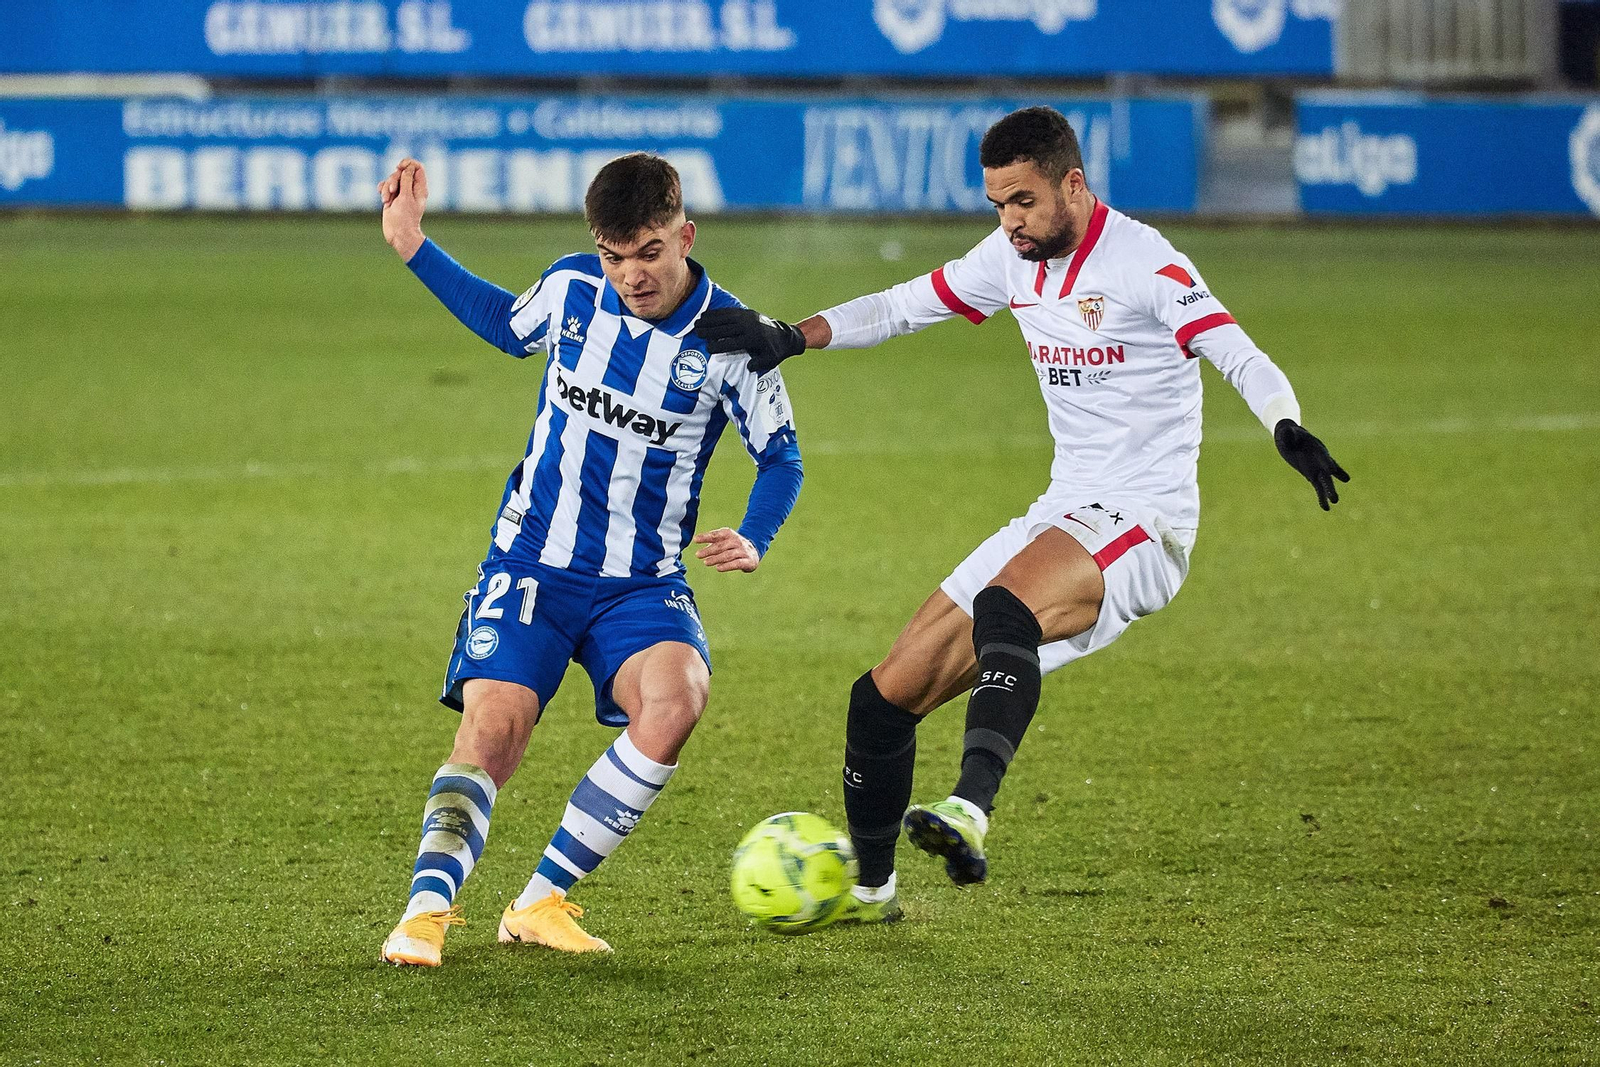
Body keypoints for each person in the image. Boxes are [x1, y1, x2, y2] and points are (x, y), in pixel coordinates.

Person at [694, 106, 1348, 922]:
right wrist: (795, 334)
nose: (1011, 222)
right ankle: (870, 888)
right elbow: (905, 304)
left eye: (1024, 201)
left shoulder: (1146, 262)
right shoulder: (1009, 259)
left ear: (1072, 183)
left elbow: (1235, 350)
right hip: (1061, 511)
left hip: (1146, 521)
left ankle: (969, 808)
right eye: (999, 204)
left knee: (1006, 607)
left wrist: (1284, 421)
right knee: (883, 697)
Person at [377, 152, 803, 964]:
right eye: (614, 254)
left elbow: (781, 458)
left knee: (677, 698)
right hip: (533, 560)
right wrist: (410, 242)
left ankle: (540, 902)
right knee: (495, 730)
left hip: (642, 581)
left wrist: (755, 531)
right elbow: (507, 324)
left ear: (685, 233)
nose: (630, 274)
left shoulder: (734, 338)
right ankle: (424, 914)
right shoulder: (573, 289)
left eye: (648, 252)